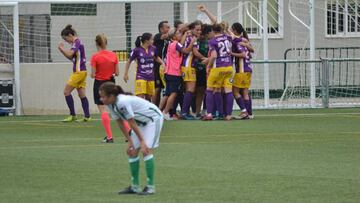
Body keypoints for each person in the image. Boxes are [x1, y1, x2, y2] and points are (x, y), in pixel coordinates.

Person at [99, 82, 164, 195]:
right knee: (132, 152)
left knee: (146, 150)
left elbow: (131, 123)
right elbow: (120, 123)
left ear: (111, 96)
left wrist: (142, 142)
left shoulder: (122, 102)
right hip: (140, 123)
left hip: (153, 119)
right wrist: (130, 141)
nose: (101, 99)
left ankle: (150, 187)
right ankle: (135, 187)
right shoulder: (111, 104)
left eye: (103, 96)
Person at [90, 34, 131, 143]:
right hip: (111, 83)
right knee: (117, 109)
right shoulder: (113, 55)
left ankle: (109, 137)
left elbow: (92, 75)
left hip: (100, 84)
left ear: (96, 43)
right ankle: (130, 132)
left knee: (103, 109)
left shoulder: (95, 57)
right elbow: (117, 73)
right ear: (106, 43)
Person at [58, 24, 91, 122]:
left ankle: (73, 115)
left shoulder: (77, 42)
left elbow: (70, 54)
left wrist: (61, 48)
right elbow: (71, 57)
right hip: (82, 71)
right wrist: (62, 50)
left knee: (66, 92)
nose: (66, 41)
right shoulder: (76, 43)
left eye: (65, 38)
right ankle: (87, 116)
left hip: (79, 72)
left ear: (70, 35)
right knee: (82, 94)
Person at [161, 28, 195, 120]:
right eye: (178, 33)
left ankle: (159, 112)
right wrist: (192, 42)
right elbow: (186, 51)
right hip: (174, 73)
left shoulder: (172, 44)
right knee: (174, 94)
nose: (180, 34)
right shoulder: (176, 44)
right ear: (174, 36)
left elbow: (181, 43)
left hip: (168, 72)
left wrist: (184, 34)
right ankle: (165, 113)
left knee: (167, 94)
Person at [202, 24, 234, 121]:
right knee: (228, 91)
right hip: (229, 67)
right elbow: (232, 35)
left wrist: (208, 66)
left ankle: (210, 114)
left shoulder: (212, 41)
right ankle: (228, 115)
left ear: (213, 31)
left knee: (209, 89)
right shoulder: (228, 37)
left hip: (218, 68)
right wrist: (227, 29)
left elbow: (214, 55)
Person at [123, 33, 165, 101]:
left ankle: (146, 110)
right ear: (146, 41)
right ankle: (138, 111)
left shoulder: (153, 48)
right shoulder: (137, 50)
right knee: (140, 95)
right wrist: (125, 74)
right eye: (151, 39)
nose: (153, 41)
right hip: (141, 76)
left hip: (151, 77)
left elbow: (156, 57)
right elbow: (129, 61)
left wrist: (163, 63)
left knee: (149, 97)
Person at [180, 20, 206, 120]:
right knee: (190, 89)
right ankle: (184, 113)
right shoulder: (192, 38)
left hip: (188, 66)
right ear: (192, 29)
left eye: (200, 30)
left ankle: (185, 112)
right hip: (188, 66)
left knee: (189, 90)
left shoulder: (188, 36)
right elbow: (195, 52)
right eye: (197, 29)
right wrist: (206, 59)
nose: (199, 31)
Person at [231, 23, 254, 119]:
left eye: (232, 30)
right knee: (245, 92)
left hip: (242, 70)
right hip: (248, 69)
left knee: (235, 91)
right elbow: (251, 51)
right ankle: (249, 113)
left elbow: (244, 55)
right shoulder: (244, 40)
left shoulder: (238, 42)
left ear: (235, 31)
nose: (231, 31)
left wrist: (231, 53)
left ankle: (244, 111)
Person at [152, 21, 170, 106]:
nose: (169, 29)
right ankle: (154, 108)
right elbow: (166, 35)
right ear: (161, 29)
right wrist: (179, 28)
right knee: (157, 88)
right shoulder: (157, 36)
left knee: (166, 88)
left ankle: (163, 109)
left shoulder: (169, 39)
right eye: (167, 27)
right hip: (157, 66)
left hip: (166, 66)